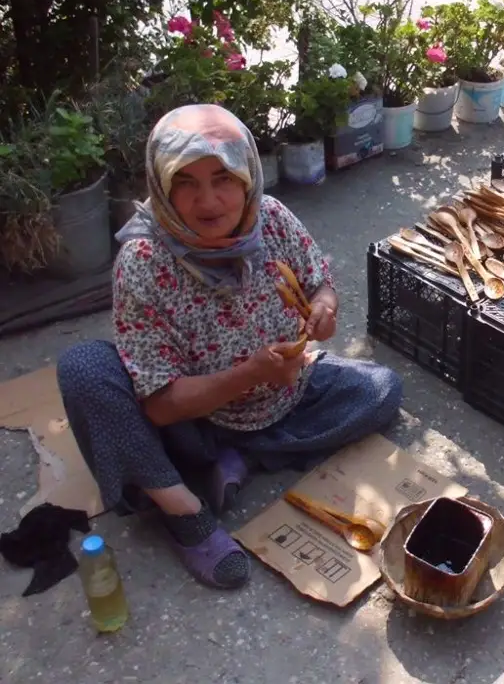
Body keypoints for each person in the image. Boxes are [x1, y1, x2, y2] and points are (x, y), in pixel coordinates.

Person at [56, 104, 403, 590]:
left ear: (247, 177)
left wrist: (323, 308)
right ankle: (186, 513)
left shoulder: (271, 218)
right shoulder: (143, 261)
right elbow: (160, 404)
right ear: (161, 186)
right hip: (195, 425)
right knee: (85, 367)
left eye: (223, 178)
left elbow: (317, 280)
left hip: (286, 394)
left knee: (382, 389)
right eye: (185, 183)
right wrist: (250, 375)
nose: (208, 201)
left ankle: (246, 456)